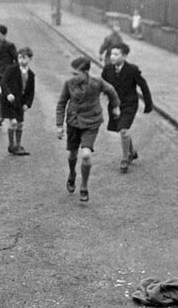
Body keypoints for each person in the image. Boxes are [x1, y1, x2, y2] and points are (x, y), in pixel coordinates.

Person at [56, 57, 120, 202]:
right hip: (74, 122)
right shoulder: (69, 84)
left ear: (85, 72)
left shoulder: (97, 82)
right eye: (72, 74)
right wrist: (59, 125)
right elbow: (61, 104)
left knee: (85, 155)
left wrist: (115, 106)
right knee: (72, 154)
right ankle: (72, 174)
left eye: (76, 73)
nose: (73, 77)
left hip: (91, 122)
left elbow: (111, 91)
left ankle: (84, 186)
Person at [100, 43, 153, 173]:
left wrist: (148, 103)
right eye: (111, 54)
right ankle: (132, 152)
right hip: (115, 105)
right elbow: (103, 86)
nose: (112, 57)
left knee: (123, 130)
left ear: (124, 56)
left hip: (129, 104)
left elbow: (143, 85)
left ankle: (125, 159)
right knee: (122, 131)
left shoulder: (132, 70)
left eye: (116, 54)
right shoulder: (107, 69)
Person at [0, 47, 35, 156]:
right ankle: (12, 145)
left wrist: (27, 104)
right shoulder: (11, 69)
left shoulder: (31, 74)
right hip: (8, 101)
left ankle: (18, 145)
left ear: (30, 59)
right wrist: (8, 94)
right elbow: (4, 83)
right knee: (13, 122)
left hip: (20, 102)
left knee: (20, 124)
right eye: (19, 57)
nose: (21, 60)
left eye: (24, 58)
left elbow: (31, 91)